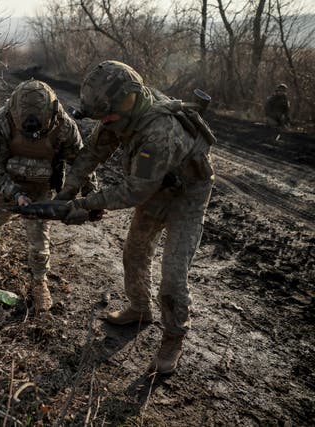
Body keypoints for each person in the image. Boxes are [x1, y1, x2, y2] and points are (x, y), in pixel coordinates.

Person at [57, 61, 215, 374]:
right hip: (157, 187)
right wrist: (66, 192)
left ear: (127, 101)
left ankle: (173, 336)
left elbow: (132, 192)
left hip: (187, 196)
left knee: (173, 273)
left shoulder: (158, 131)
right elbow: (92, 153)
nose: (105, 121)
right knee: (136, 253)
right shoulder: (120, 113)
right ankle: (140, 309)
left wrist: (83, 205)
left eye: (107, 115)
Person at [0, 79, 96, 312]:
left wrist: (91, 195)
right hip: (5, 186)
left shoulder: (63, 126)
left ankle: (39, 282)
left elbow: (81, 163)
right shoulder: (1, 122)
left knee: (39, 244)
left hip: (41, 188)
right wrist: (15, 193)